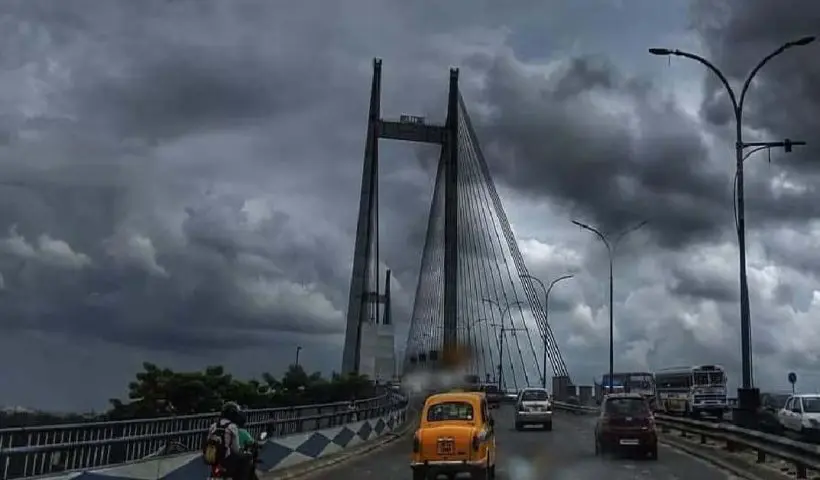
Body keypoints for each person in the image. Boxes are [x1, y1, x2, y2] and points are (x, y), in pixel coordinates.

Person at [203, 402, 251, 479]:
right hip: (226, 460)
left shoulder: (213, 426)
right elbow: (236, 449)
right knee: (246, 458)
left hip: (212, 459)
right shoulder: (232, 427)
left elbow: (207, 440)